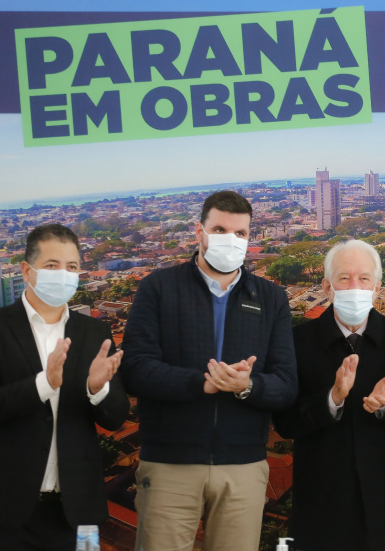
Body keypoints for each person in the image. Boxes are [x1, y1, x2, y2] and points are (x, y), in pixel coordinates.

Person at [120, 190, 297, 551]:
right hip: (170, 463)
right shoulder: (158, 287)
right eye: (219, 230)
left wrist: (248, 386)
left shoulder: (271, 297)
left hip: (244, 465)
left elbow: (286, 384)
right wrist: (203, 383)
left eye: (240, 233)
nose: (230, 240)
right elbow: (136, 369)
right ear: (198, 231)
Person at [274, 239, 385, 551]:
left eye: (364, 279)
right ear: (327, 287)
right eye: (344, 278)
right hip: (320, 500)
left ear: (377, 287)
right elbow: (284, 421)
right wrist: (331, 399)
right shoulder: (297, 342)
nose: (354, 287)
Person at [0, 224, 128, 550]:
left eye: (71, 267)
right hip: (7, 509)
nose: (63, 275)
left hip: (78, 509)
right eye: (52, 266)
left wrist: (97, 390)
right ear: (27, 270)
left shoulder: (95, 332)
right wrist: (43, 384)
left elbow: (117, 418)